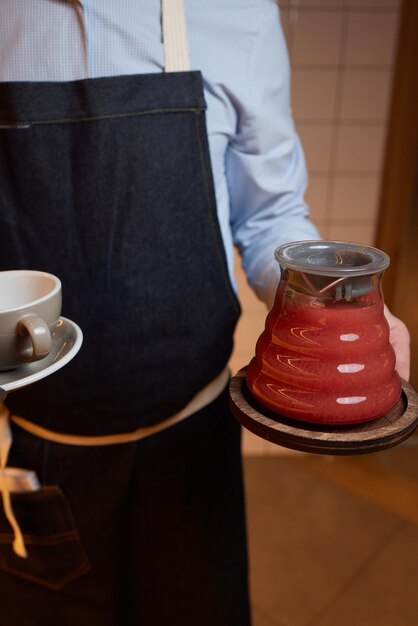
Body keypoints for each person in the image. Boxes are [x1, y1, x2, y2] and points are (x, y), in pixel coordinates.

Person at [0, 1, 410, 625]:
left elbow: (270, 217)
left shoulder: (235, 12)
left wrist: (334, 310)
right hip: (31, 451)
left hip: (194, 439)